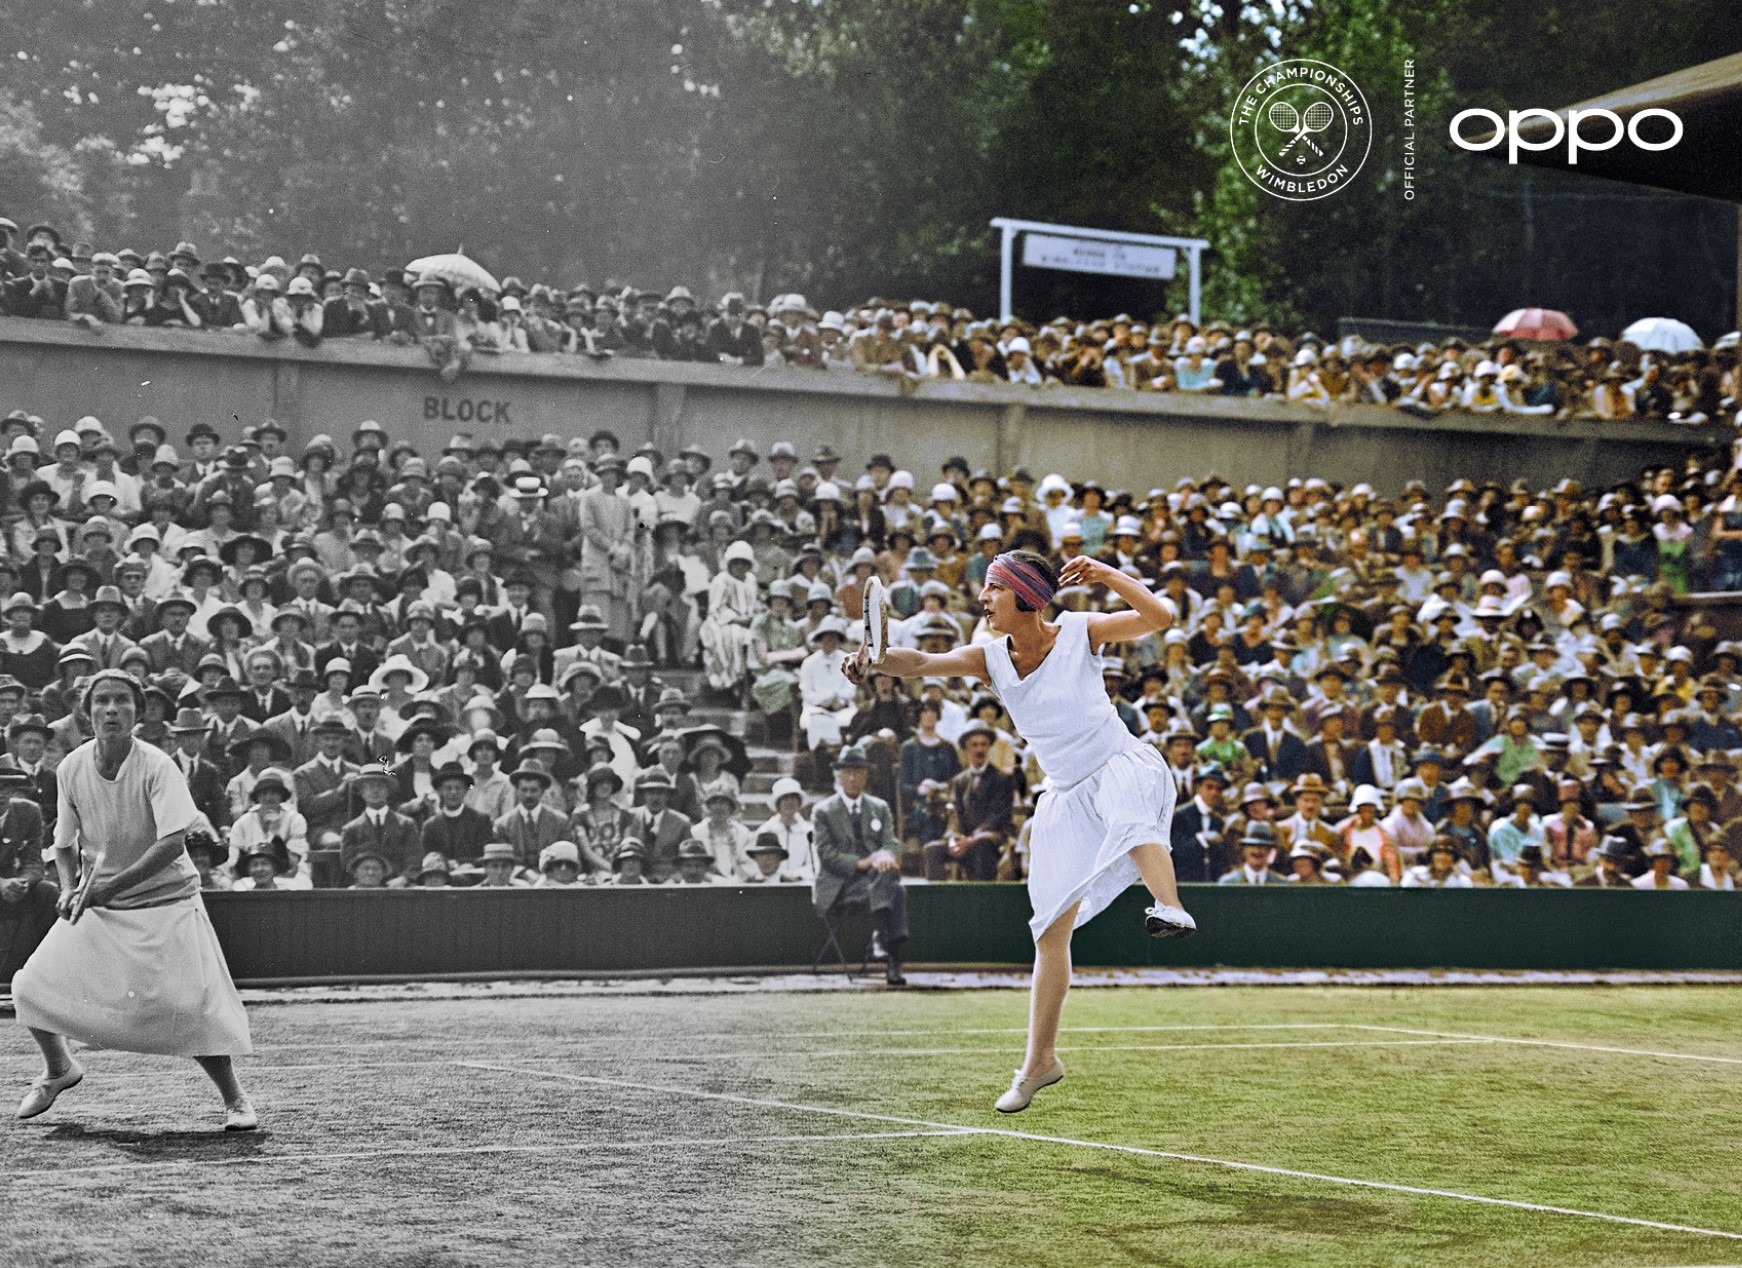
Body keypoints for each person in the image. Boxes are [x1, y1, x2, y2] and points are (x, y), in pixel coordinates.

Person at [845, 548, 1190, 1114]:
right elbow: (920, 663)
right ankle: (1039, 1063)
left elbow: (1160, 619)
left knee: (1131, 813)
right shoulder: (988, 656)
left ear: (1026, 596)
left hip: (1118, 764)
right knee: (1050, 933)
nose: (982, 599)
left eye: (994, 589)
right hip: (1062, 796)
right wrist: (875, 661)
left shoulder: (1080, 630)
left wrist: (1105, 575)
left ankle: (1169, 906)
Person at [11, 670, 257, 1129]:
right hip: (100, 904)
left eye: (122, 701)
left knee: (192, 1011)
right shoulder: (70, 767)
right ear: (86, 713)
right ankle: (59, 1069)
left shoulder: (158, 765)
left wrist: (105, 887)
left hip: (168, 902)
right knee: (29, 988)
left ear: (138, 713)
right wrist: (69, 887)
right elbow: (63, 843)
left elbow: (170, 844)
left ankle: (235, 1099)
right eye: (101, 701)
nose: (111, 710)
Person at [809, 745, 910, 984]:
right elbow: (826, 854)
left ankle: (882, 942)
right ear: (838, 776)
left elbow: (892, 843)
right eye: (847, 772)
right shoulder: (823, 811)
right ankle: (891, 957)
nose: (853, 778)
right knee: (895, 889)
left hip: (874, 882)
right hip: (840, 885)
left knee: (890, 881)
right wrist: (865, 862)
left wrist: (887, 856)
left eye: (858, 772)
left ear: (866, 775)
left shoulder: (880, 808)